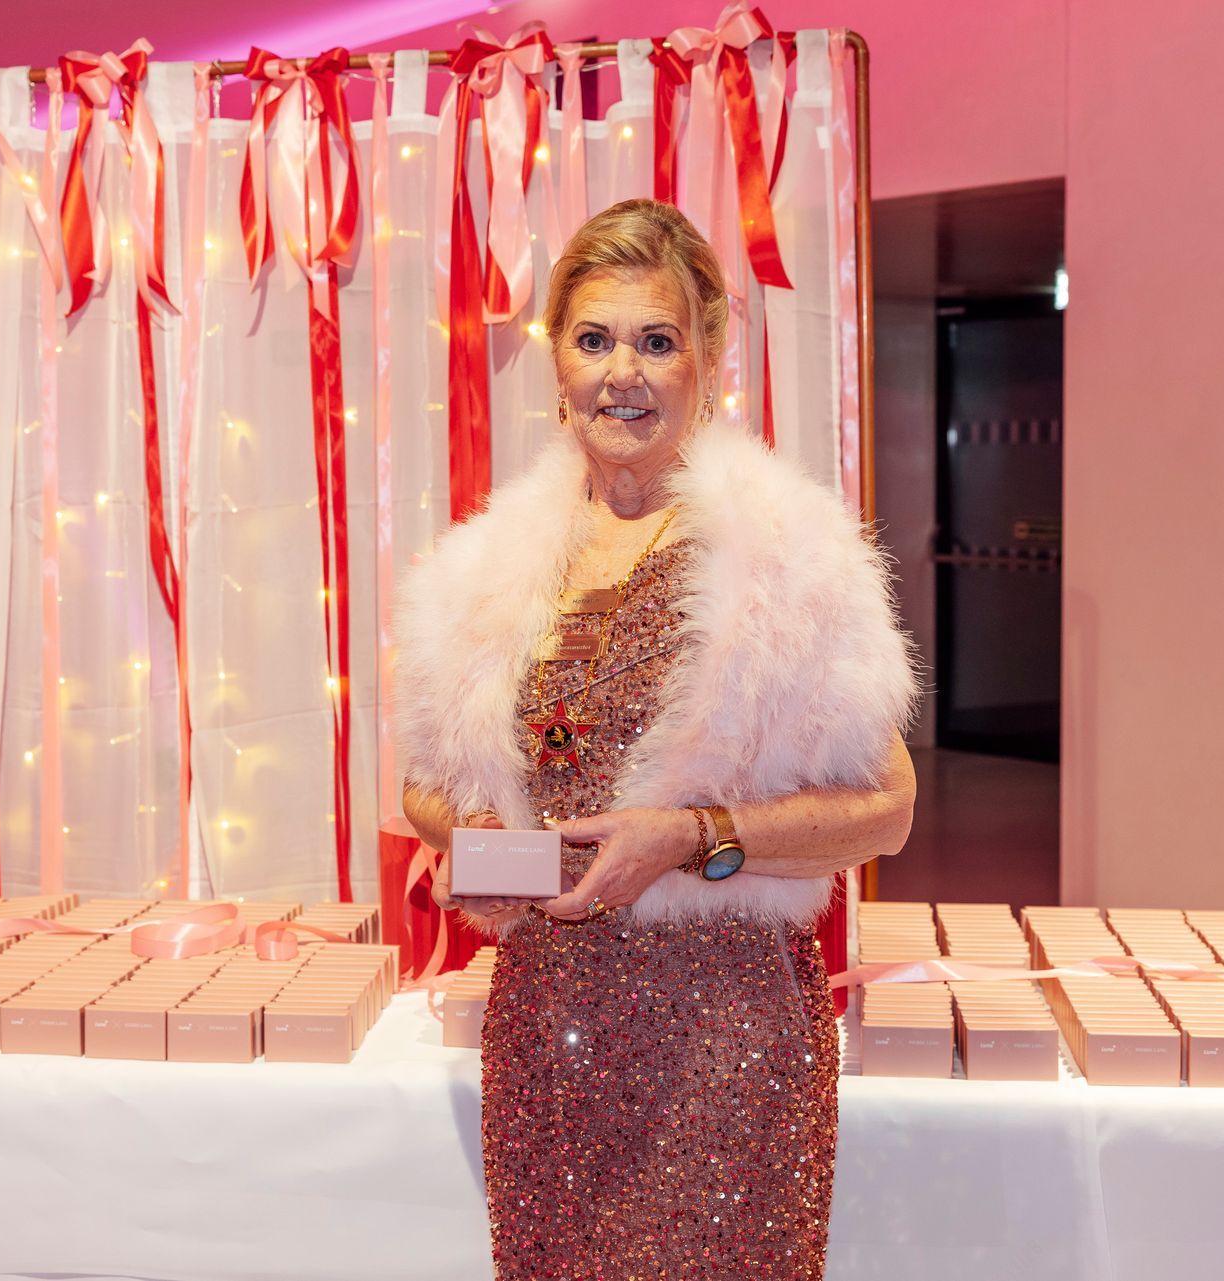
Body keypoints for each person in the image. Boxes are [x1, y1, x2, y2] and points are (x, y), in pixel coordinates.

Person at [393, 198, 920, 1279]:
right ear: (557, 363)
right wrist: (491, 848)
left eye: (657, 341)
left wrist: (687, 837)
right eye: (594, 340)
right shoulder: (484, 569)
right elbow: (424, 787)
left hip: (727, 1046)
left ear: (708, 360)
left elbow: (887, 806)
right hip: (545, 1046)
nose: (621, 373)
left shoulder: (785, 564)